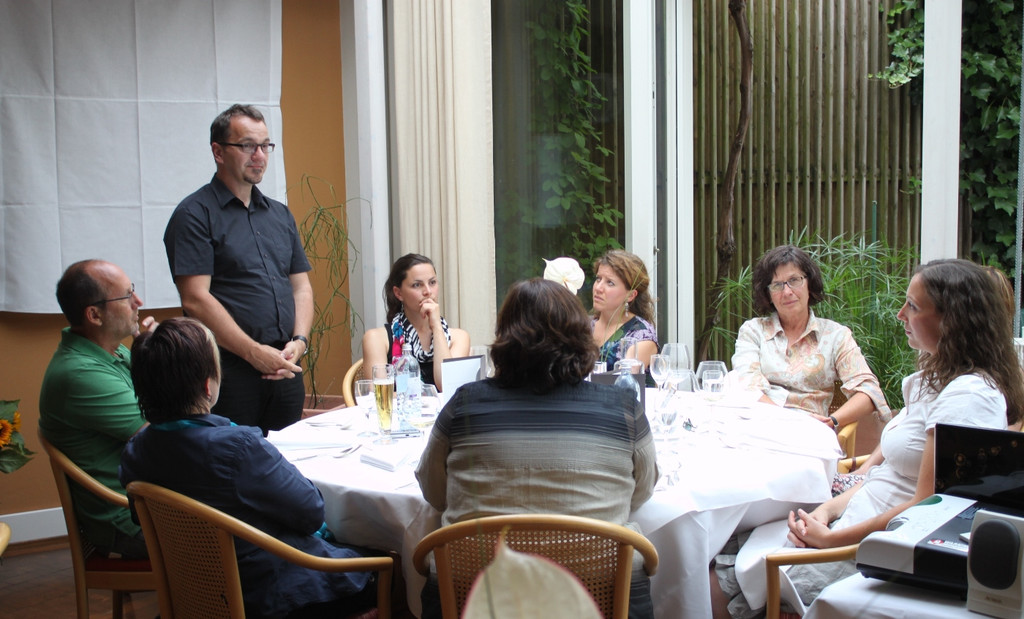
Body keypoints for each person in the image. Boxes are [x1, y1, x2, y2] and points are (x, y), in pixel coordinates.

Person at [711, 258, 1024, 618]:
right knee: (722, 545)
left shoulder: (968, 398)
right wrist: (827, 510)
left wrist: (831, 538)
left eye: (913, 306)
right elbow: (885, 475)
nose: (900, 314)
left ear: (951, 321)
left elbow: (929, 508)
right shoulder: (937, 380)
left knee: (720, 579)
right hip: (851, 513)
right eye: (776, 284)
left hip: (872, 546)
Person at [416, 278, 659, 618]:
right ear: (581, 335)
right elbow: (641, 491)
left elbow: (434, 491)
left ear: (504, 336)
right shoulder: (623, 407)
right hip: (603, 595)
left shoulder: (465, 404)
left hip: (471, 595)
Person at [119, 318, 376, 618]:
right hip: (269, 598)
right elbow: (311, 512)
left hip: (196, 594)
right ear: (207, 386)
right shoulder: (236, 448)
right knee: (388, 568)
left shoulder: (136, 452)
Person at [163, 104, 313, 434]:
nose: (259, 156)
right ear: (218, 151)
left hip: (285, 366)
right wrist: (253, 353)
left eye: (265, 146)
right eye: (247, 145)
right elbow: (195, 299)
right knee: (230, 461)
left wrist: (300, 342)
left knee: (288, 460)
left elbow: (300, 287)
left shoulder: (279, 215)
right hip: (227, 372)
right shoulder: (194, 215)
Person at [38, 259, 158, 559]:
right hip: (128, 517)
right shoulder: (81, 374)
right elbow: (168, 434)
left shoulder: (111, 350)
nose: (138, 301)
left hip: (146, 496)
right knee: (247, 533)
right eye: (127, 296)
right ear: (94, 315)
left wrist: (155, 355)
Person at [732, 245, 891, 433]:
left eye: (794, 280)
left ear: (810, 284)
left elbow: (868, 392)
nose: (787, 292)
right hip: (758, 426)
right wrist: (787, 422)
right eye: (777, 285)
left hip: (812, 432)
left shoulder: (835, 335)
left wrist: (832, 421)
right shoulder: (753, 331)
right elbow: (747, 387)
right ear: (768, 294)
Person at [362, 253, 470, 390]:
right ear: (398, 293)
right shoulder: (376, 338)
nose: (428, 291)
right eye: (417, 285)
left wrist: (437, 327)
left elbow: (447, 386)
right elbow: (379, 395)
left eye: (432, 282)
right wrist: (427, 396)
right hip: (398, 405)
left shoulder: (459, 337)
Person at [591, 250, 658, 372]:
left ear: (630, 295)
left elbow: (624, 378)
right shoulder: (583, 326)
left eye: (610, 283)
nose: (598, 288)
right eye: (598, 279)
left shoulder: (640, 335)